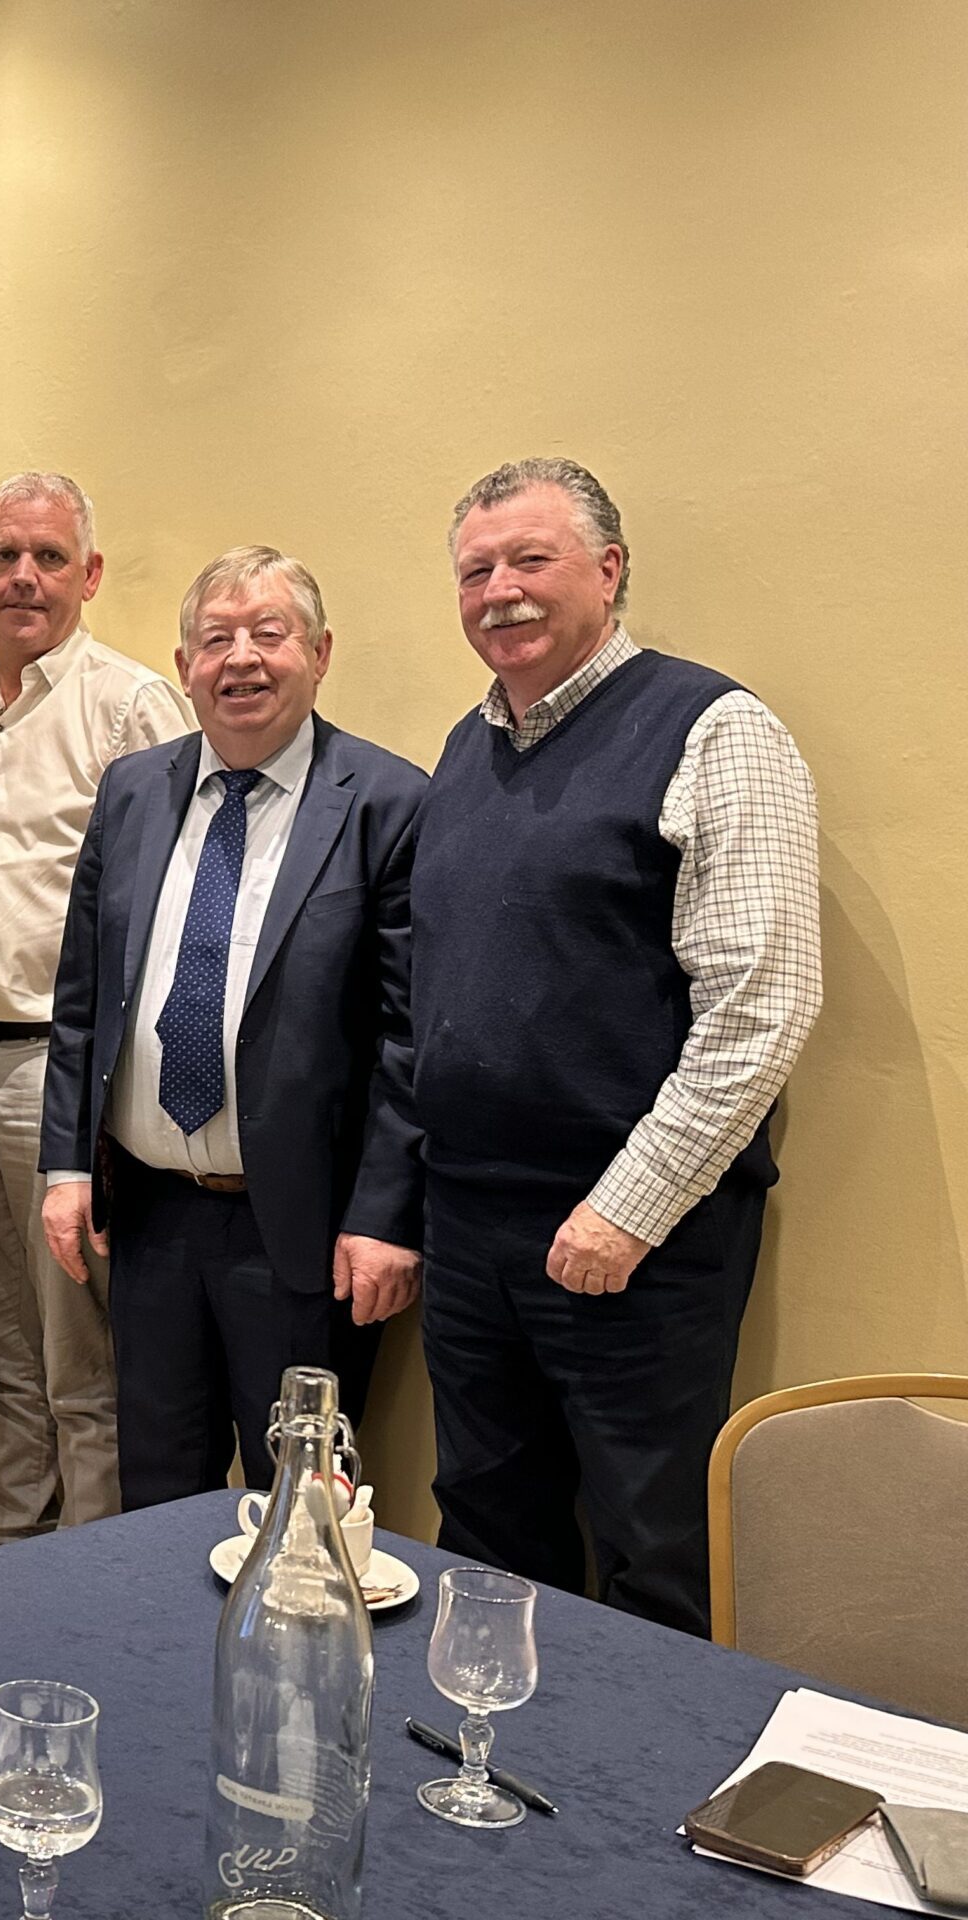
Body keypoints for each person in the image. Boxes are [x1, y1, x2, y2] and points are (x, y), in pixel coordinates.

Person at [413, 457, 821, 1636]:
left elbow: (762, 1004)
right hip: (473, 1226)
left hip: (633, 1236)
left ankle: (637, 1810)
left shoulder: (714, 730)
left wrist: (627, 1209)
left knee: (652, 1550)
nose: (500, 592)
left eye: (529, 560)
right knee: (487, 1535)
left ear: (609, 567)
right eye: (476, 570)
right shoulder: (465, 748)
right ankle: (494, 1791)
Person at [39, 547, 426, 1509]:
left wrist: (383, 1216)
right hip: (153, 1218)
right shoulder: (132, 791)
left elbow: (410, 1041)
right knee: (156, 1495)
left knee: (301, 1507)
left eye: (269, 634)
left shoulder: (386, 802)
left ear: (321, 653)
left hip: (299, 1231)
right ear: (183, 665)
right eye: (216, 639)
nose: (241, 659)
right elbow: (84, 993)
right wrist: (64, 1167)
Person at [0, 471, 193, 1542]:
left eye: (46, 558)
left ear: (89, 574)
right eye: (2, 557)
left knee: (82, 1361)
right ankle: (13, 1568)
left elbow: (169, 900)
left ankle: (92, 1585)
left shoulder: (129, 704)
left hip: (59, 1070)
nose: (22, 578)